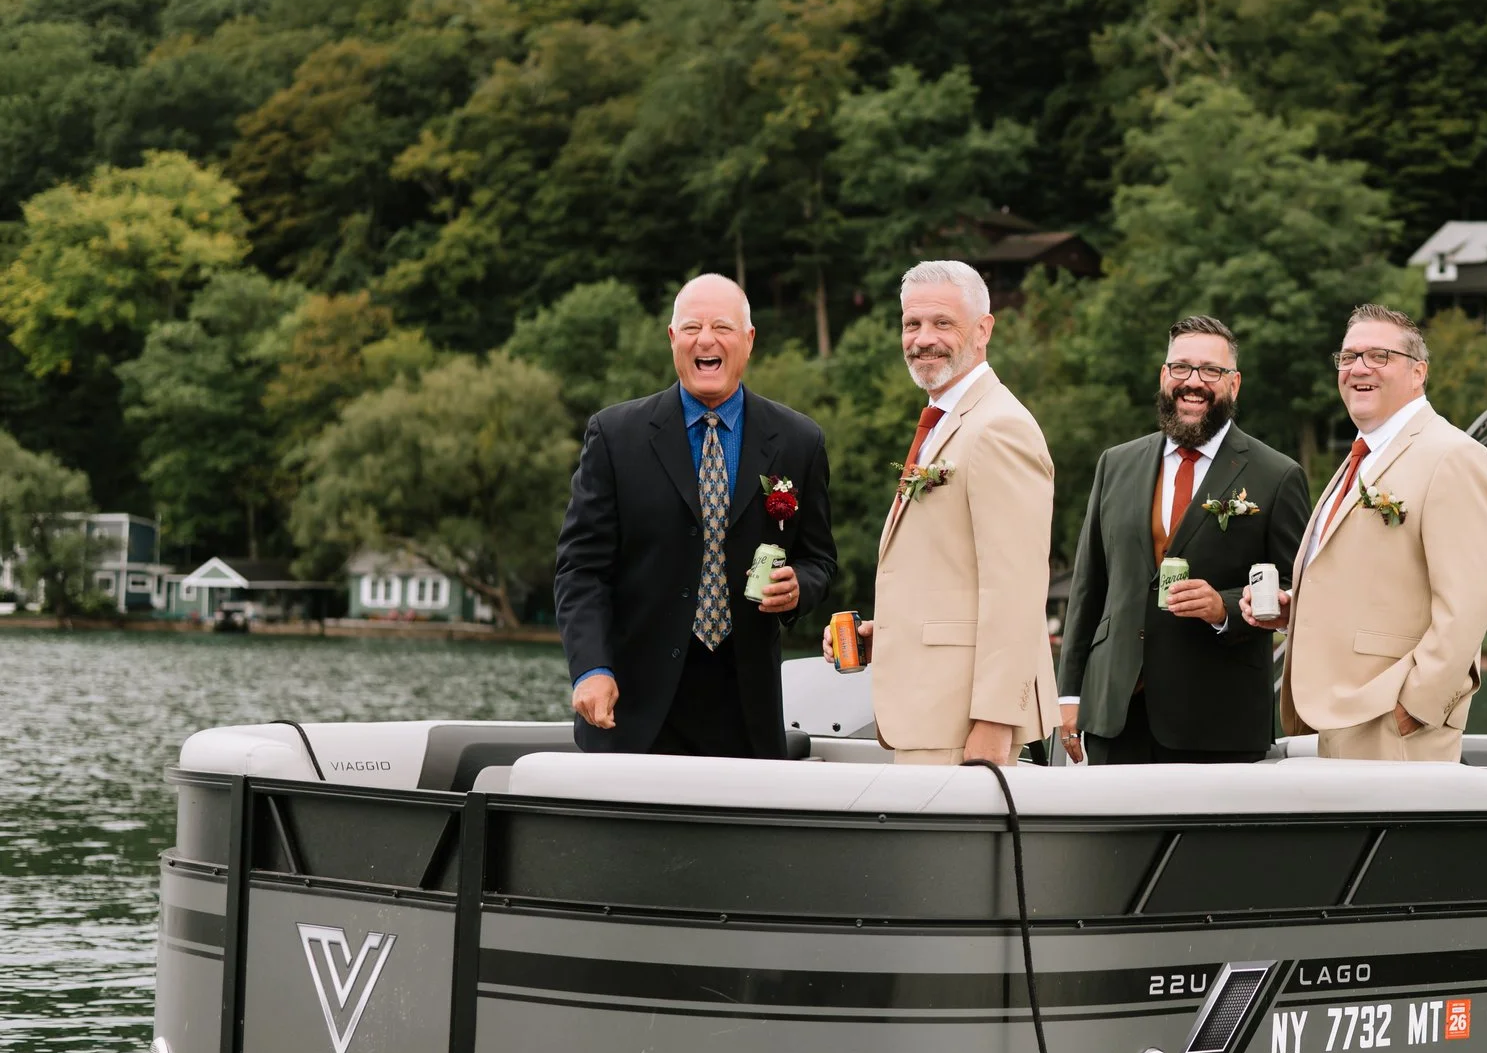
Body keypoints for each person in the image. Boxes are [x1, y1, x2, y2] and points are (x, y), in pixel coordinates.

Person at [555, 273, 838, 758]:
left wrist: (799, 589)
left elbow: (820, 560)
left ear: (748, 341)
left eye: (722, 327)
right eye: (691, 328)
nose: (705, 340)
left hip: (747, 712)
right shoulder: (614, 435)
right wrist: (591, 669)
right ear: (672, 340)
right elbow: (581, 570)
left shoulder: (798, 441)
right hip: (633, 710)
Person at [1245, 304, 1487, 761]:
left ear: (1418, 372)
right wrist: (1294, 612)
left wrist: (1414, 708)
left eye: (1378, 356)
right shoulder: (1363, 455)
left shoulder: (1454, 456)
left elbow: (1468, 604)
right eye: (1348, 357)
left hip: (1393, 723)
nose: (1358, 368)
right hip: (1338, 714)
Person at [1056, 316, 1312, 764]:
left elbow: (1299, 589)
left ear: (1233, 384)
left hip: (1218, 718)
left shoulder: (1278, 475)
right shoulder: (1116, 463)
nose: (1193, 383)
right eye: (1181, 368)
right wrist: (1070, 693)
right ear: (1164, 376)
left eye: (1210, 371)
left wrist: (1225, 607)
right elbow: (1089, 586)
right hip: (1115, 713)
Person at [835, 260, 1054, 766]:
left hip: (964, 724)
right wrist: (886, 632)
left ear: (983, 330)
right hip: (927, 708)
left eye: (941, 323)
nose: (922, 338)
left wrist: (995, 725)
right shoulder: (945, 420)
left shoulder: (999, 427)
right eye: (912, 324)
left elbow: (1016, 587)